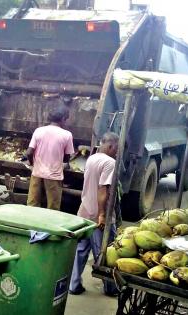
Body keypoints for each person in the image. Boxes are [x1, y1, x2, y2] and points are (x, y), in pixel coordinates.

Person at [69, 132, 120, 297]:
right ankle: (111, 288)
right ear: (111, 146)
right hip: (98, 215)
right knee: (106, 252)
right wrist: (102, 215)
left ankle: (74, 284)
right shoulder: (110, 163)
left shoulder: (92, 158)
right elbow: (103, 191)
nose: (117, 152)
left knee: (81, 248)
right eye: (117, 148)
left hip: (84, 211)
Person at [26, 104, 74, 210]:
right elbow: (66, 159)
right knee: (53, 208)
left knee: (32, 206)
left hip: (37, 174)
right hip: (54, 176)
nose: (66, 122)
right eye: (66, 119)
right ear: (62, 119)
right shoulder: (67, 135)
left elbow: (29, 152)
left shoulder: (39, 130)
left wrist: (32, 163)